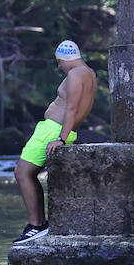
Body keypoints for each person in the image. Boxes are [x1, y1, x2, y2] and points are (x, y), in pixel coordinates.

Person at [12, 39, 98, 243]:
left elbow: (72, 108)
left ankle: (36, 225)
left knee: (22, 173)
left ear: (66, 59)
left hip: (53, 130)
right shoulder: (89, 74)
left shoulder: (76, 73)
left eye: (60, 62)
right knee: (27, 173)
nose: (60, 66)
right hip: (57, 129)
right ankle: (38, 223)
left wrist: (61, 137)